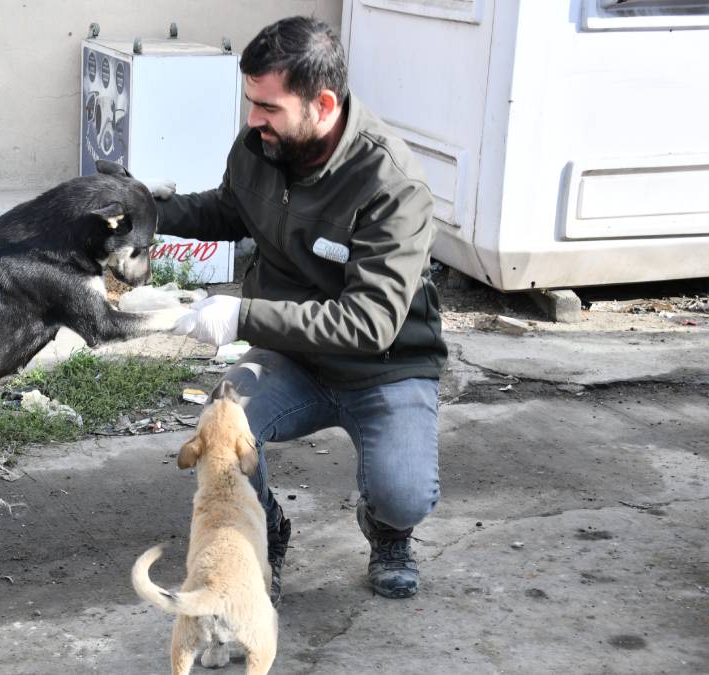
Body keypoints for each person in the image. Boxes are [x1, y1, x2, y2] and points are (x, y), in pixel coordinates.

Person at [161, 15, 447, 605]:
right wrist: (145, 208)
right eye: (249, 102)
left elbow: (369, 324)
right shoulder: (261, 147)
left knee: (404, 494)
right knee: (222, 428)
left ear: (321, 103)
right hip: (292, 360)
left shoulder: (391, 184)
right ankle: (265, 528)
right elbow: (229, 210)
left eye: (268, 107)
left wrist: (242, 316)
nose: (252, 120)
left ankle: (390, 532)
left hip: (383, 369)